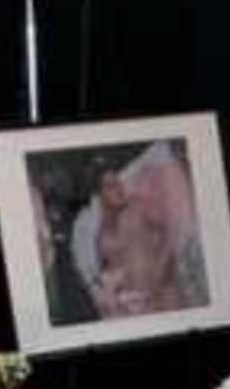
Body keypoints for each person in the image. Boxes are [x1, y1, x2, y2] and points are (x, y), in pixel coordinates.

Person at [58, 134, 211, 328]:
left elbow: (170, 230)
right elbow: (102, 277)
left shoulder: (137, 209)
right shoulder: (99, 236)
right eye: (111, 186)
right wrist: (114, 292)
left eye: (119, 183)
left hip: (164, 292)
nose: (120, 189)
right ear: (100, 195)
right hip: (138, 304)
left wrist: (160, 270)